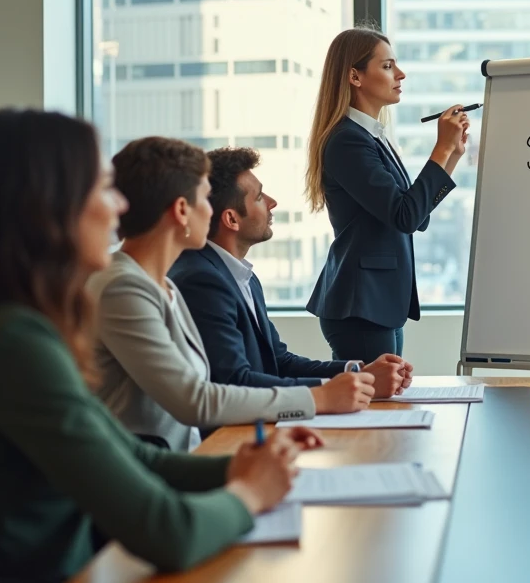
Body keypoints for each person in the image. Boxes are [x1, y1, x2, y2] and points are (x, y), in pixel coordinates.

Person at [0, 109, 319, 583]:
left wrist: (237, 469)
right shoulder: (11, 344)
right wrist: (250, 493)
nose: (119, 206)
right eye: (103, 188)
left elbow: (135, 457)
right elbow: (170, 533)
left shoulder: (5, 325)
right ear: (47, 206)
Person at [91, 137, 374, 453]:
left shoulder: (162, 284)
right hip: (149, 473)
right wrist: (319, 397)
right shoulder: (125, 286)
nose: (210, 210)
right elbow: (197, 399)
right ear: (183, 210)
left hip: (182, 461)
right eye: (203, 198)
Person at [171, 146, 412, 398]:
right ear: (231, 219)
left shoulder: (243, 277)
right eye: (259, 197)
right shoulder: (202, 281)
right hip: (232, 433)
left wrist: (356, 370)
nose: (272, 202)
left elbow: (279, 362)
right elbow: (236, 382)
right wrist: (342, 389)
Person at [305, 27, 470, 362]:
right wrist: (440, 148)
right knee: (374, 409)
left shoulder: (372, 137)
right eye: (388, 66)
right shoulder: (348, 141)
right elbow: (405, 215)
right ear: (355, 76)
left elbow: (414, 216)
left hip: (377, 302)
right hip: (361, 306)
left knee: (383, 404)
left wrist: (451, 156)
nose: (401, 74)